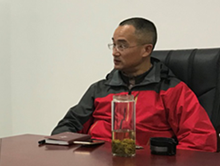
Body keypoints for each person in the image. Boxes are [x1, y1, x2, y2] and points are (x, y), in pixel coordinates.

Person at [52, 17, 217, 151]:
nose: (115, 52)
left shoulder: (172, 90)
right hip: (99, 165)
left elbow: (200, 140)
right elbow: (68, 127)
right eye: (114, 45)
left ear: (146, 50)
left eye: (122, 46)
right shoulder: (100, 89)